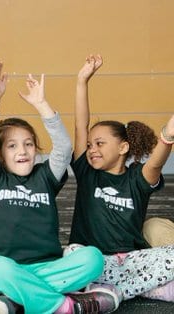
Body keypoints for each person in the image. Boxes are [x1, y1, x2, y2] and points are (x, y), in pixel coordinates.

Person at [0, 61, 117, 314]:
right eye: (12, 146)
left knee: (93, 259)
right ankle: (60, 305)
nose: (22, 151)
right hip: (6, 267)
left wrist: (42, 105)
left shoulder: (45, 176)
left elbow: (63, 148)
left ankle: (18, 299)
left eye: (29, 144)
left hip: (48, 266)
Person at [65, 54, 174, 305]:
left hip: (129, 262)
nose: (92, 148)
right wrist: (82, 81)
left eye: (100, 143)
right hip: (92, 262)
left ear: (123, 147)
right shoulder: (87, 173)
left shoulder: (137, 177)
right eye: (90, 144)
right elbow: (81, 125)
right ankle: (134, 288)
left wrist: (167, 135)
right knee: (73, 253)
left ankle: (112, 291)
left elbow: (156, 161)